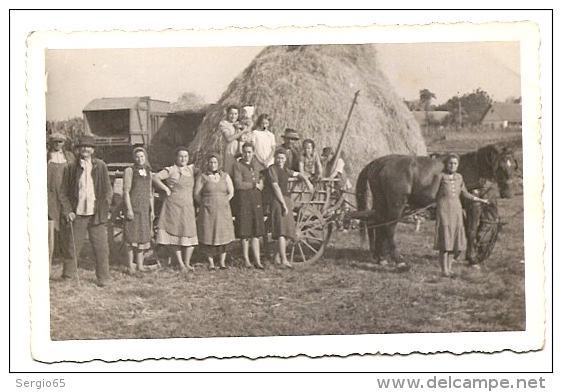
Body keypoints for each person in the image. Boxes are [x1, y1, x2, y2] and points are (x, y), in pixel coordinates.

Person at [59, 135, 112, 287]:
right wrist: (68, 210)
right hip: (78, 214)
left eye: (88, 147)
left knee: (101, 247)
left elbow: (108, 189)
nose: (85, 150)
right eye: (82, 147)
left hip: (96, 213)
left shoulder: (100, 166)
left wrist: (105, 206)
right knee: (72, 246)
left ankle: (103, 278)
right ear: (78, 149)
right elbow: (63, 193)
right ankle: (68, 276)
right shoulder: (71, 167)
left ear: (93, 149)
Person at [431, 153, 489, 277]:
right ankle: (444, 270)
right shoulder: (440, 176)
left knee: (454, 240)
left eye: (455, 163)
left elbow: (465, 193)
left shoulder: (459, 177)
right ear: (446, 164)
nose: (453, 166)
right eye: (450, 163)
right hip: (444, 209)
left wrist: (479, 200)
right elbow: (432, 194)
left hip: (456, 209)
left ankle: (450, 269)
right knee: (445, 239)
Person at [152, 147, 199, 273]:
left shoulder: (191, 169)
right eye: (180, 156)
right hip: (173, 205)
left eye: (185, 156)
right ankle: (181, 263)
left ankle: (187, 263)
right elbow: (155, 177)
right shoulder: (171, 170)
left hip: (188, 206)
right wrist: (166, 189)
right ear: (176, 157)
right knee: (175, 234)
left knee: (189, 234)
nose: (183, 159)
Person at [267, 148, 313, 268]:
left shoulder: (285, 170)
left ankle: (276, 257)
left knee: (289, 231)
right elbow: (275, 187)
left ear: (285, 159)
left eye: (282, 158)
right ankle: (284, 260)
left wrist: (307, 181)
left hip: (286, 200)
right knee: (282, 232)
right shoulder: (272, 169)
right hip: (278, 201)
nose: (280, 160)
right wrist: (282, 204)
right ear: (275, 158)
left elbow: (298, 174)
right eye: (278, 158)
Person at [194, 153, 236, 270]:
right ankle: (211, 262)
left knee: (223, 233)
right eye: (211, 162)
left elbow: (231, 192)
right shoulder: (202, 177)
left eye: (215, 162)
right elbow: (197, 194)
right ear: (207, 163)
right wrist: (207, 203)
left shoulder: (225, 176)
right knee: (208, 233)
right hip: (208, 211)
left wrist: (223, 202)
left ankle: (222, 262)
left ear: (219, 164)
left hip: (223, 211)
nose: (213, 165)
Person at [232, 142, 265, 269]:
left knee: (256, 232)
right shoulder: (237, 165)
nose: (247, 155)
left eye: (250, 152)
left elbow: (262, 174)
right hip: (244, 200)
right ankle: (246, 259)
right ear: (242, 152)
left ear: (253, 153)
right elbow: (238, 184)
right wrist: (253, 185)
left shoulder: (256, 164)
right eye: (245, 152)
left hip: (255, 200)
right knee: (245, 232)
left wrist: (261, 180)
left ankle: (257, 260)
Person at [122, 147, 154, 275]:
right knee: (131, 237)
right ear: (134, 158)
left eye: (142, 157)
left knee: (142, 237)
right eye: (137, 157)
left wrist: (152, 210)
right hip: (134, 207)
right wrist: (129, 209)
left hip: (145, 208)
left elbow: (150, 193)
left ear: (145, 157)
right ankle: (130, 266)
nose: (140, 159)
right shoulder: (129, 171)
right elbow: (126, 191)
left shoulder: (148, 171)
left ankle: (140, 265)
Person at [47, 132, 75, 273]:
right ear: (51, 143)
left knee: (65, 225)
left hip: (64, 196)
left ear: (64, 143)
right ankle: (49, 260)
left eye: (60, 142)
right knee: (51, 227)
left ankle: (66, 258)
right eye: (55, 142)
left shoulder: (69, 157)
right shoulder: (46, 157)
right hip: (50, 196)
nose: (58, 145)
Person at [219, 105, 251, 176]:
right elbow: (228, 138)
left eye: (235, 114)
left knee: (241, 173)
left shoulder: (240, 124)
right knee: (230, 172)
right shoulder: (224, 124)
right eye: (231, 113)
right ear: (227, 114)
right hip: (230, 151)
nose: (233, 116)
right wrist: (242, 132)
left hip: (241, 151)